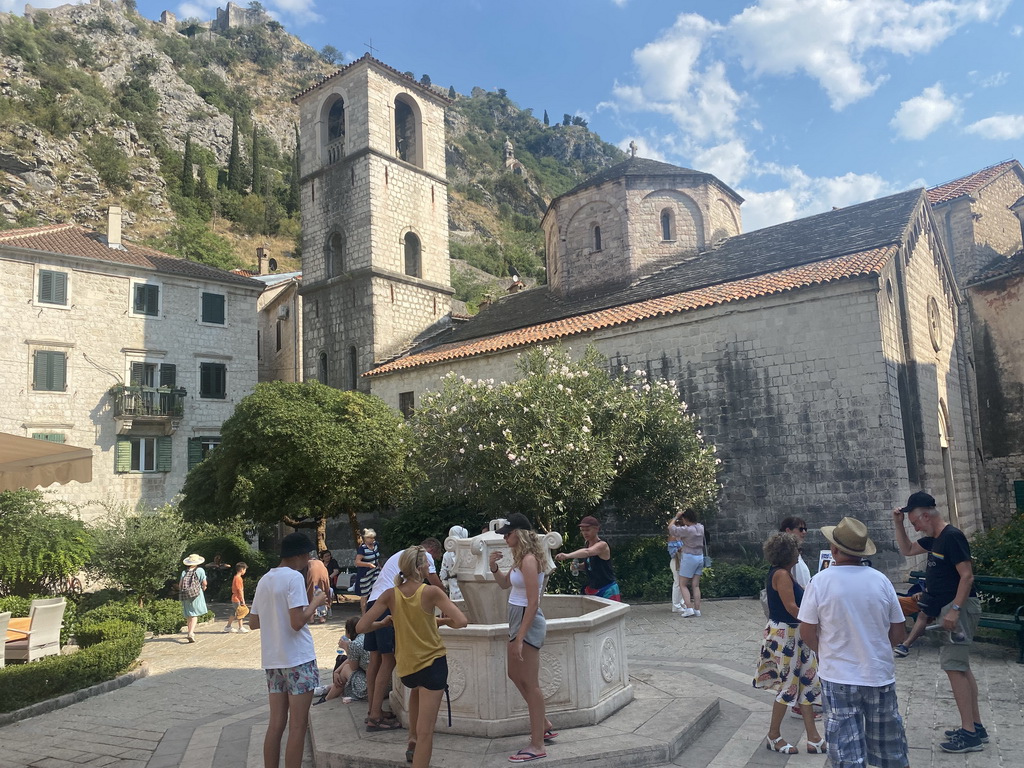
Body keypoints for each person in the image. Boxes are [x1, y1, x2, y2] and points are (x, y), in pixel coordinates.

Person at [799, 516, 909, 768]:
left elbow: (807, 631)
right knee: (890, 751)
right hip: (878, 674)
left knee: (847, 755)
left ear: (834, 550)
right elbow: (899, 633)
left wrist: (826, 651)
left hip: (838, 676)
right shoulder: (881, 581)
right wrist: (876, 649)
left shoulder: (820, 581)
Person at [357, 546, 467, 768]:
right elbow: (461, 622)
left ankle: (411, 741)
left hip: (407, 668)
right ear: (420, 567)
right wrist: (444, 621)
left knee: (416, 693)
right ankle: (417, 747)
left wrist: (384, 622)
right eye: (427, 563)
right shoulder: (431, 592)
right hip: (432, 665)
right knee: (427, 732)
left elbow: (361, 626)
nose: (429, 567)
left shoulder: (390, 594)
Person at [893, 491, 985, 753]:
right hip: (949, 608)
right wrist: (898, 524)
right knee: (961, 667)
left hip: (959, 609)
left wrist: (955, 610)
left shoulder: (951, 537)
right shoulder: (934, 540)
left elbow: (966, 576)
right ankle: (975, 727)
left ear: (925, 515)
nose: (916, 528)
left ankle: (969, 735)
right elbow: (907, 549)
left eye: (914, 523)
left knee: (954, 668)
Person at [248, 532, 328, 768]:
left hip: (274, 660)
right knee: (298, 725)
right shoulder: (293, 578)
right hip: (298, 658)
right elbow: (297, 622)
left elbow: (254, 622)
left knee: (276, 723)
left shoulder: (265, 580)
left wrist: (276, 615)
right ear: (301, 555)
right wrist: (316, 602)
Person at [490, 513, 557, 763]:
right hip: (517, 618)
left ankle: (537, 744)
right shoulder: (521, 558)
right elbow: (505, 585)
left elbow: (533, 602)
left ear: (519, 533)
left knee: (531, 683)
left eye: (507, 533)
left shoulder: (529, 560)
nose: (505, 537)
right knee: (514, 674)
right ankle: (544, 722)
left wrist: (519, 637)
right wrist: (493, 567)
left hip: (527, 621)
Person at [752, 532, 825, 754]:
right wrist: (816, 622)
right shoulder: (782, 575)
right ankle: (773, 735)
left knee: (807, 683)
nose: (799, 553)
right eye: (797, 550)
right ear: (789, 553)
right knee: (788, 686)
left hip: (795, 633)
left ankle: (813, 737)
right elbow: (792, 607)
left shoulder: (785, 573)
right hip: (787, 635)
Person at [363, 538, 444, 735]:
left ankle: (373, 710)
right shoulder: (422, 556)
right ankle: (375, 717)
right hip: (387, 605)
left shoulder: (401, 554)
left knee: (375, 660)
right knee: (388, 661)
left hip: (374, 602)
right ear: (431, 552)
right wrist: (447, 602)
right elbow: (436, 585)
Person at [554, 515, 620, 601]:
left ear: (597, 529)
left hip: (607, 589)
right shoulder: (587, 544)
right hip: (594, 588)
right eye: (582, 530)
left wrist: (567, 555)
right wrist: (578, 566)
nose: (585, 533)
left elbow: (587, 552)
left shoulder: (602, 545)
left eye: (588, 530)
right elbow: (589, 565)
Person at [316, 616, 371, 704]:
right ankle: (329, 693)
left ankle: (327, 698)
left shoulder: (355, 644)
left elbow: (353, 667)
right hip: (383, 686)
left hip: (370, 688)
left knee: (345, 669)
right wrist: (337, 671)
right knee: (344, 666)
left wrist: (346, 648)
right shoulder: (366, 637)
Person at [668, 509, 704, 617]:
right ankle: (697, 609)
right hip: (700, 556)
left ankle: (689, 608)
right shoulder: (700, 527)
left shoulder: (688, 530)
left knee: (682, 584)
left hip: (689, 557)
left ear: (686, 518)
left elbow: (671, 528)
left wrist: (675, 517)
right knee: (696, 585)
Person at [179, 554, 208, 643]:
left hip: (185, 594)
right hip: (196, 594)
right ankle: (191, 633)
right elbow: (204, 583)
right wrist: (204, 587)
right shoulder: (200, 570)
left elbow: (180, 585)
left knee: (189, 614)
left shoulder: (184, 572)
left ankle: (189, 631)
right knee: (194, 614)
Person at [779, 516, 811, 588]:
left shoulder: (795, 552)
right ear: (788, 530)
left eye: (805, 529)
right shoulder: (787, 554)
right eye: (801, 529)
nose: (804, 532)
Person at [439, 525, 470, 601]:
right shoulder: (469, 551)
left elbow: (443, 575)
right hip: (468, 592)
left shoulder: (447, 554)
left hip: (453, 594)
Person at [355, 528, 381, 614]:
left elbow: (377, 557)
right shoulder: (362, 548)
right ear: (365, 538)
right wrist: (368, 564)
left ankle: (376, 611)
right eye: (370, 538)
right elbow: (357, 562)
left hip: (375, 571)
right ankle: (364, 613)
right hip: (365, 574)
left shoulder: (376, 545)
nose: (372, 539)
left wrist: (379, 567)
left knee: (377, 589)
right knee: (365, 594)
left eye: (373, 538)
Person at [303, 546, 331, 624]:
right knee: (322, 593)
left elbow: (304, 575)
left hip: (313, 574)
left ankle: (311, 618)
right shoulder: (319, 562)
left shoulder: (307, 562)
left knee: (311, 594)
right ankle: (322, 617)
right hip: (324, 573)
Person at [224, 562, 250, 633]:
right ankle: (240, 627)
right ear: (242, 569)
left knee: (234, 613)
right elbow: (240, 590)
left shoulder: (236, 577)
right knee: (240, 612)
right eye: (245, 570)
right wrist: (242, 600)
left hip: (235, 597)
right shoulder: (239, 578)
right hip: (237, 598)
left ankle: (228, 626)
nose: (245, 571)